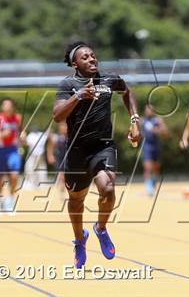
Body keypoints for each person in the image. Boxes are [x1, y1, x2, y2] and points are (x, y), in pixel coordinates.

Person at [53, 41, 140, 268]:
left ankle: (100, 228)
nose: (91, 59)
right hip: (77, 151)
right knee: (76, 201)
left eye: (92, 55)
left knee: (108, 188)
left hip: (103, 147)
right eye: (85, 57)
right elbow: (57, 115)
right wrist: (78, 96)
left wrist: (134, 121)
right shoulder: (68, 84)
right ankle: (80, 240)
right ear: (75, 64)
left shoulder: (109, 79)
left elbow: (127, 92)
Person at [0, 98, 22, 213]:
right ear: (2, 107)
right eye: (5, 105)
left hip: (13, 150)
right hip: (1, 150)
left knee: (14, 175)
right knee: (1, 176)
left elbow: (20, 131)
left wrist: (22, 136)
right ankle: (1, 198)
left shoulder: (17, 118)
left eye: (9, 105)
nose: (7, 107)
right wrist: (1, 134)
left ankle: (11, 199)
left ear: (13, 107)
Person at [140, 104, 168, 196]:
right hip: (146, 146)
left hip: (156, 147)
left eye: (151, 110)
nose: (149, 111)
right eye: (147, 110)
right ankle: (149, 188)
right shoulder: (142, 121)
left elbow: (165, 132)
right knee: (148, 167)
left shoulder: (158, 120)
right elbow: (133, 131)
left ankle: (153, 182)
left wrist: (157, 130)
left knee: (156, 168)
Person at [47, 122, 68, 196]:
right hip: (59, 158)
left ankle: (65, 188)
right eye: (62, 127)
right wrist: (50, 155)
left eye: (65, 127)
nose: (63, 129)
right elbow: (50, 146)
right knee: (61, 174)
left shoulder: (69, 137)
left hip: (68, 158)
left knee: (66, 174)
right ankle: (62, 189)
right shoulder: (56, 137)